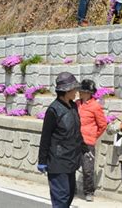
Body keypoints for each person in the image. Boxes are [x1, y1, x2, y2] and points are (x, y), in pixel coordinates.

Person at [37, 72, 87, 208]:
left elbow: (76, 130)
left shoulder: (73, 106)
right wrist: (42, 160)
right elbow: (45, 137)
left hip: (71, 158)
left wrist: (84, 147)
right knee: (61, 197)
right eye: (74, 89)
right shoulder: (53, 110)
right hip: (57, 160)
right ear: (66, 91)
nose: (76, 92)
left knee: (70, 194)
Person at [76, 79, 107, 202]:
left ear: (89, 93)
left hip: (88, 142)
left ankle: (89, 191)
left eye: (82, 91)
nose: (79, 93)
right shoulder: (76, 103)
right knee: (70, 167)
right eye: (80, 91)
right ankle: (70, 189)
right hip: (75, 140)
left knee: (87, 169)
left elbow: (103, 125)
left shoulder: (95, 106)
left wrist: (93, 136)